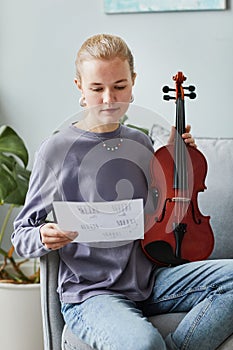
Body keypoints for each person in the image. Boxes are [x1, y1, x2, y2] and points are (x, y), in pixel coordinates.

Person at [12, 34, 233, 350]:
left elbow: (160, 215)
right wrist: (43, 236)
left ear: (133, 82)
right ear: (79, 87)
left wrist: (178, 160)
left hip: (150, 281)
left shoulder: (141, 144)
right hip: (92, 294)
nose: (108, 99)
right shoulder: (56, 151)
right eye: (97, 89)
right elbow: (22, 235)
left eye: (119, 86)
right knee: (142, 345)